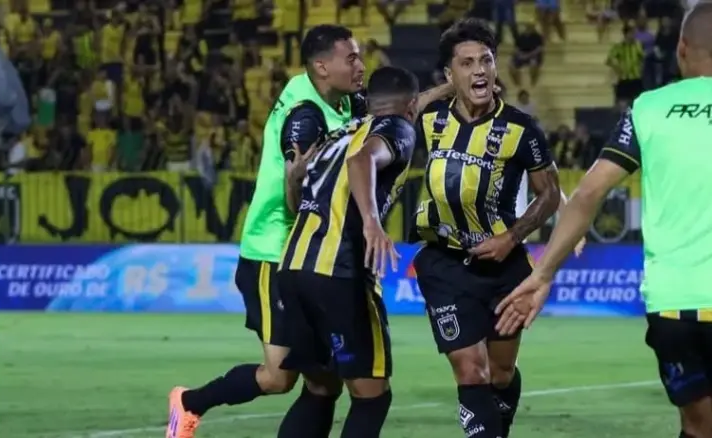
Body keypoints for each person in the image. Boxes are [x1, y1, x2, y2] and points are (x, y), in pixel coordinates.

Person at [495, 4, 712, 438]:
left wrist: (546, 272)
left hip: (669, 305)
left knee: (698, 428)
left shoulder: (648, 109)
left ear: (681, 48)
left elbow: (588, 192)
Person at [165, 25, 451, 438]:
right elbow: (295, 186)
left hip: (306, 253)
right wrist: (310, 188)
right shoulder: (305, 113)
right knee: (280, 378)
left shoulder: (345, 103)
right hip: (275, 249)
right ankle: (189, 403)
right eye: (351, 57)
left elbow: (395, 111)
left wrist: (445, 90)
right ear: (322, 66)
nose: (361, 64)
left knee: (323, 382)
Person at [412, 18, 563, 438]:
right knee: (471, 370)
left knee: (500, 372)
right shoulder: (429, 120)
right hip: (443, 264)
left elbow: (549, 194)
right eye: (466, 64)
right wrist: (448, 88)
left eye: (486, 61)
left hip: (504, 269)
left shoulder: (521, 128)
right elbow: (391, 109)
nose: (479, 70)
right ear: (449, 74)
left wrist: (512, 237)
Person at [276, 66, 421, 438]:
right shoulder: (397, 129)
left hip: (294, 266)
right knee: (372, 394)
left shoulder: (339, 134)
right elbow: (363, 161)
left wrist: (292, 179)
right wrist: (372, 221)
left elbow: (295, 201)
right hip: (338, 271)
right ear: (412, 106)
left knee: (320, 388)